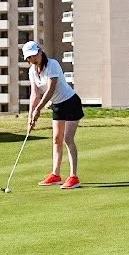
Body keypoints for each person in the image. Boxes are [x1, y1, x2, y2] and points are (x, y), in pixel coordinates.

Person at [22, 40, 85, 189]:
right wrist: (30, 116)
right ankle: (55, 175)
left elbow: (50, 90)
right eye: (28, 57)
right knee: (56, 139)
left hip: (70, 102)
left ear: (40, 52)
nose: (31, 59)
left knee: (67, 138)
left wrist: (39, 109)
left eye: (33, 55)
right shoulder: (32, 71)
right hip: (57, 105)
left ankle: (73, 177)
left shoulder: (53, 65)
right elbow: (34, 94)